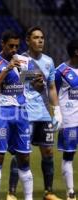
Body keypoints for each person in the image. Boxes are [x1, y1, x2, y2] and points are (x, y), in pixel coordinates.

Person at [6, 26, 62, 200]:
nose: (40, 41)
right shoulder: (19, 59)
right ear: (28, 40)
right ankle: (12, 193)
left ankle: (48, 192)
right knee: (22, 153)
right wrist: (35, 77)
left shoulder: (49, 61)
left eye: (42, 37)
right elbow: (17, 80)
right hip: (26, 114)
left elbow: (51, 87)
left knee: (48, 153)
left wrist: (57, 110)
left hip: (44, 114)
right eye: (36, 37)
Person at [0, 30, 34, 200]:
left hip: (21, 113)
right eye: (10, 46)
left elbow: (33, 85)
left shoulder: (25, 61)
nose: (14, 49)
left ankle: (28, 197)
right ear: (2, 44)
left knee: (24, 157)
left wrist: (38, 81)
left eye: (17, 46)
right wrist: (6, 70)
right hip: (1, 112)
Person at [55, 39, 78, 200]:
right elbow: (52, 94)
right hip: (69, 121)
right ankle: (70, 191)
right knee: (69, 156)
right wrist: (57, 115)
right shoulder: (60, 71)